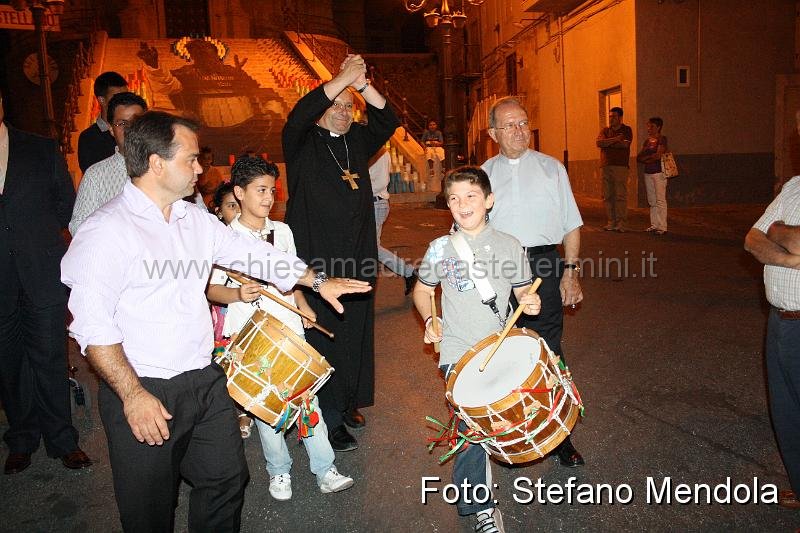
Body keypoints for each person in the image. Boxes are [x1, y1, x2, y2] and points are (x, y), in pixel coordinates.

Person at [60, 110, 371, 531]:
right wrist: (132, 396)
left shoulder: (194, 220)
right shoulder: (106, 231)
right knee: (149, 509)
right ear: (156, 163)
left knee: (226, 481)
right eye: (190, 159)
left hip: (204, 381)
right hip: (143, 386)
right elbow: (93, 328)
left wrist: (317, 280)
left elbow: (255, 256)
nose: (200, 168)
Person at [208, 155, 354, 501]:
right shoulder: (224, 237)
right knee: (266, 405)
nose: (268, 198)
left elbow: (293, 278)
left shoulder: (283, 231)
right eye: (260, 190)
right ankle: (279, 471)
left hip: (287, 325)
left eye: (272, 190)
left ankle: (325, 467)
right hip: (249, 330)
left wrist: (303, 308)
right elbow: (211, 288)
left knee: (306, 397)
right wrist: (237, 292)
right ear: (239, 193)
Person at [413, 166, 540, 533]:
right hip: (458, 353)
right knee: (471, 428)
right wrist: (430, 320)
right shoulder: (439, 248)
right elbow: (422, 291)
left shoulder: (510, 245)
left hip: (500, 348)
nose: (462, 204)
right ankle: (479, 508)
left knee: (497, 424)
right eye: (454, 198)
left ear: (488, 200)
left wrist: (531, 304)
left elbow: (524, 292)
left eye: (470, 195)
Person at [283, 53, 400, 452]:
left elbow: (389, 120)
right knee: (325, 337)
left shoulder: (356, 141)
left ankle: (347, 400)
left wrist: (362, 84)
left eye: (349, 107)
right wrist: (342, 78)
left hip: (359, 258)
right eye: (335, 105)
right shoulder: (301, 143)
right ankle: (324, 418)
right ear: (320, 110)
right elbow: (298, 115)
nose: (344, 112)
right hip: (319, 261)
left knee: (356, 335)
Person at [481, 96, 585, 468]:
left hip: (544, 264)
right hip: (498, 267)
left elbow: (571, 223)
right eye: (509, 125)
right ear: (493, 132)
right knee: (501, 352)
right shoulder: (483, 173)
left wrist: (570, 271)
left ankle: (560, 436)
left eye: (523, 123)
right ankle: (509, 433)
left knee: (549, 351)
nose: (519, 131)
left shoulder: (551, 169)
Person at [0, 88, 92, 475]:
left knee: (52, 359)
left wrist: (33, 240)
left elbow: (64, 205)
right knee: (8, 364)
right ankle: (21, 438)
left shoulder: (39, 148)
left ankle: (62, 438)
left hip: (42, 275)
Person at [744, 175, 800, 510]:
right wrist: (791, 258)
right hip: (780, 321)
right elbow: (752, 239)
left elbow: (775, 233)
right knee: (787, 415)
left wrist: (779, 231)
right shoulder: (794, 185)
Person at [69, 92, 147, 235]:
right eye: (122, 124)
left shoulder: (167, 165)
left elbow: (197, 214)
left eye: (137, 122)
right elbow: (79, 228)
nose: (130, 130)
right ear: (111, 129)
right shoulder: (96, 176)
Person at [368, 146, 417, 295]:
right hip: (376, 202)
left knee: (372, 248)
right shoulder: (380, 152)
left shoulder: (376, 152)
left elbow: (375, 181)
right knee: (369, 246)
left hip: (375, 202)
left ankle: (409, 272)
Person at [77, 71, 129, 173]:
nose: (123, 102)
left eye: (126, 97)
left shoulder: (133, 129)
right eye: (117, 98)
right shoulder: (88, 138)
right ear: (101, 100)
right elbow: (93, 174)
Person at [596, 106, 632, 232]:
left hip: (620, 166)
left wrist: (608, 143)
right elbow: (599, 143)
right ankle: (611, 222)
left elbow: (625, 145)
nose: (611, 119)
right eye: (610, 116)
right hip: (606, 166)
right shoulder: (605, 130)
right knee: (608, 196)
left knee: (620, 195)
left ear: (620, 118)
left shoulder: (626, 130)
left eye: (614, 116)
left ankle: (622, 223)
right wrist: (615, 140)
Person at [636, 117, 669, 235]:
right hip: (648, 172)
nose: (649, 129)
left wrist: (647, 158)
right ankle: (654, 224)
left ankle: (663, 226)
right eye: (648, 126)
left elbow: (659, 155)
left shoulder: (662, 139)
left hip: (659, 173)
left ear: (658, 127)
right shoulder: (647, 141)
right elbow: (639, 157)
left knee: (660, 199)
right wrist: (649, 158)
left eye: (652, 126)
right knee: (652, 200)